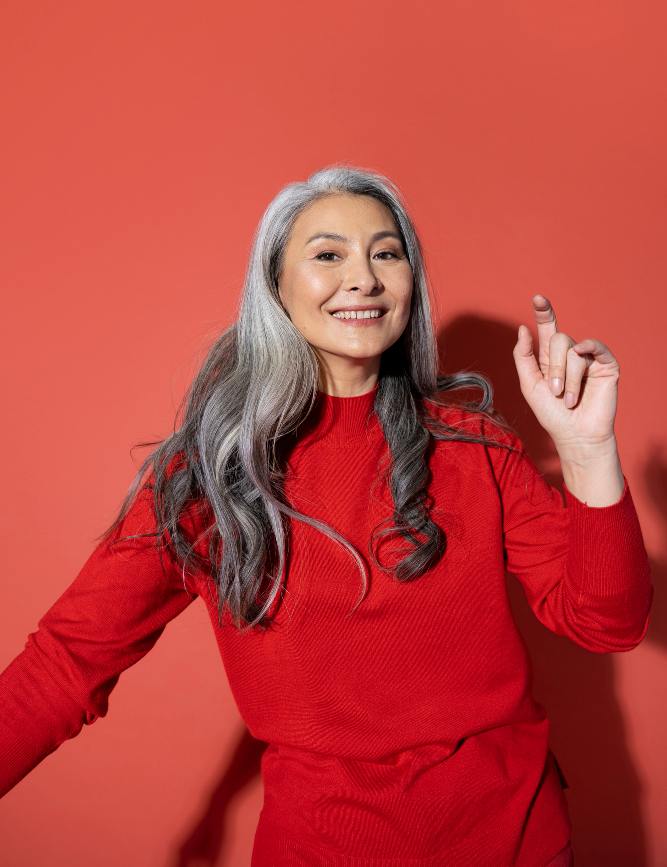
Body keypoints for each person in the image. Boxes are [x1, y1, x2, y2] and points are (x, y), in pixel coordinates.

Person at [0, 166, 652, 867]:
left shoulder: (474, 447)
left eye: (386, 252)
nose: (364, 278)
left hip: (516, 842)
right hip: (325, 849)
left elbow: (607, 622)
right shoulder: (206, 479)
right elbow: (63, 667)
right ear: (275, 287)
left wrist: (586, 450)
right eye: (328, 254)